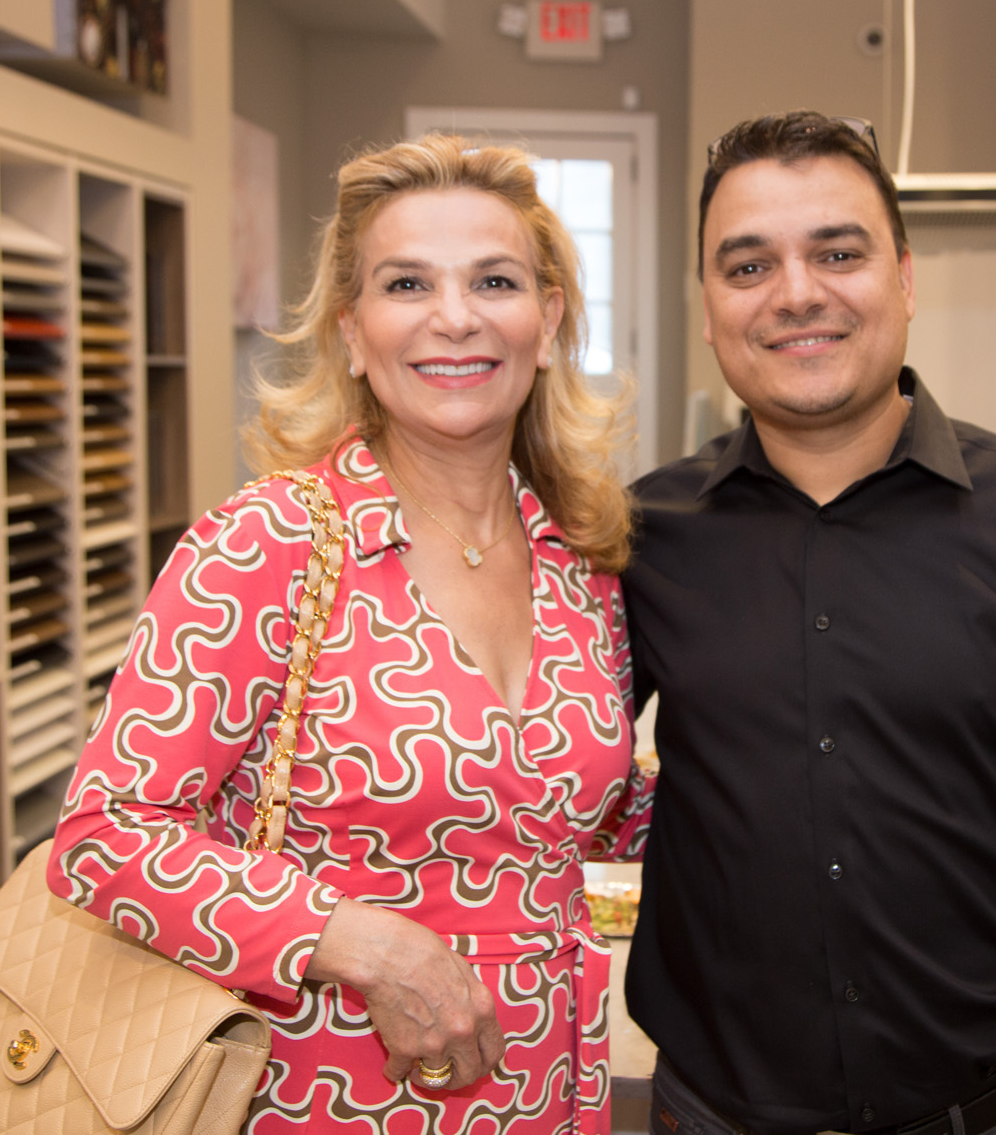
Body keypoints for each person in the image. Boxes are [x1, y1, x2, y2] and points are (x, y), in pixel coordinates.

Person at [621, 111, 996, 1135]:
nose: (795, 293)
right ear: (710, 307)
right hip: (714, 1116)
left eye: (837, 253)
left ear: (903, 278)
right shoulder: (643, 537)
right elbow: (526, 767)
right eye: (748, 265)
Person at [48, 134, 653, 1134]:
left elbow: (581, 811)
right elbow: (104, 837)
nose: (454, 316)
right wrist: (363, 945)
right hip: (323, 1094)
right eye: (406, 283)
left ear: (545, 323)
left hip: (547, 1093)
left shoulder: (577, 561)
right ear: (353, 332)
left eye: (493, 281)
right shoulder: (271, 543)